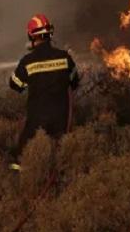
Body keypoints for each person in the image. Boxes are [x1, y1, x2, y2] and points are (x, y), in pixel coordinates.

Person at [8, 14, 79, 171]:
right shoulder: (65, 58)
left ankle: (18, 184)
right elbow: (75, 83)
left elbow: (15, 85)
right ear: (50, 35)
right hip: (62, 120)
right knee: (62, 158)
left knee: (19, 157)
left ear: (31, 35)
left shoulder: (28, 61)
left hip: (37, 121)